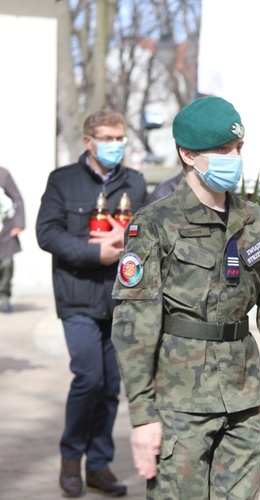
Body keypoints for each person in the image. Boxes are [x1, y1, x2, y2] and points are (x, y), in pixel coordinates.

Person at [111, 95, 260, 499]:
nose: (233, 157)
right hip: (179, 404)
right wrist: (143, 416)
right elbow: (134, 327)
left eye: (237, 148)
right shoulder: (154, 223)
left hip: (244, 397)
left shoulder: (255, 219)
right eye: (221, 150)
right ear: (188, 154)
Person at [36, 109, 148, 497]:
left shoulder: (135, 182)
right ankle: (71, 460)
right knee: (89, 377)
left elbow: (146, 235)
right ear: (88, 141)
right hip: (77, 295)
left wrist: (128, 241)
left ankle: (98, 466)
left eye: (120, 139)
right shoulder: (63, 181)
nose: (115, 146)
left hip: (120, 300)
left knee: (111, 385)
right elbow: (47, 233)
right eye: (107, 138)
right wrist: (92, 252)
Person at [0, 166, 24, 313]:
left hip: (5, 229)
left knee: (7, 263)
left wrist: (19, 224)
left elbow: (17, 199)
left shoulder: (3, 174)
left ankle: (4, 296)